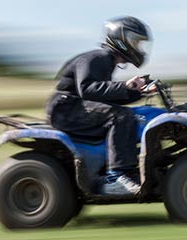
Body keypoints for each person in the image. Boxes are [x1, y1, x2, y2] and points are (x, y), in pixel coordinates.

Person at [46, 16, 153, 195]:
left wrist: (138, 92)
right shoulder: (99, 57)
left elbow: (105, 96)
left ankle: (128, 170)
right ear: (122, 39)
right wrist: (125, 86)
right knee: (120, 116)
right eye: (135, 42)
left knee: (130, 115)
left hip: (74, 107)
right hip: (66, 109)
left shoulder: (106, 62)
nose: (138, 48)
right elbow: (87, 89)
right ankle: (115, 177)